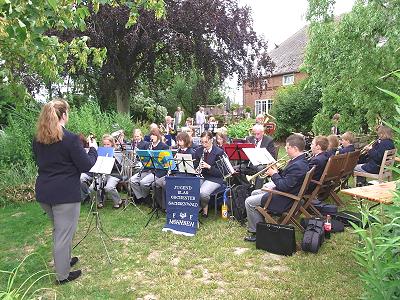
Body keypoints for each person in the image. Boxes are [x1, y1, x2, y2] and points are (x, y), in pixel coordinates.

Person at [32, 99, 97, 284]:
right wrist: (93, 150)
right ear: (64, 116)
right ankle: (62, 276)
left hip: (45, 192)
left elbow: (41, 161)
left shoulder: (38, 139)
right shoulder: (69, 138)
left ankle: (65, 260)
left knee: (60, 230)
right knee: (62, 233)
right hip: (65, 195)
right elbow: (86, 165)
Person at [244, 134, 309, 242]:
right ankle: (261, 223)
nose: (286, 150)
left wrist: (274, 174)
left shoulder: (298, 165)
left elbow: (284, 186)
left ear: (295, 148)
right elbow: (289, 179)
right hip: (290, 195)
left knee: (249, 201)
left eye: (287, 147)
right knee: (255, 193)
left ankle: (256, 233)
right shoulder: (300, 161)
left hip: (286, 199)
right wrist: (278, 171)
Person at [154, 132, 195, 210]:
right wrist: (173, 162)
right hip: (175, 174)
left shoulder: (191, 152)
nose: (179, 142)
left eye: (181, 140)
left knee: (166, 184)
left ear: (185, 140)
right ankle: (162, 205)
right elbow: (172, 165)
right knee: (156, 183)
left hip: (185, 176)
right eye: (178, 140)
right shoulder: (178, 151)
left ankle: (170, 207)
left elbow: (191, 169)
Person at [129, 128, 169, 202]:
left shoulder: (164, 146)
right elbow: (142, 158)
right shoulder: (148, 145)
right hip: (147, 169)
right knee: (132, 180)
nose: (152, 137)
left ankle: (146, 198)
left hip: (158, 171)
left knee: (143, 183)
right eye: (151, 135)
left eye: (154, 135)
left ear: (158, 136)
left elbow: (167, 163)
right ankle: (141, 197)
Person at [193, 131, 224, 217]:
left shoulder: (219, 152)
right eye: (202, 142)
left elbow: (221, 173)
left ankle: (204, 208)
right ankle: (201, 207)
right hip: (202, 176)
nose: (204, 145)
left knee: (202, 193)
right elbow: (195, 165)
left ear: (211, 140)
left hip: (215, 179)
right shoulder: (198, 151)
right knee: (191, 188)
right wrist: (196, 169)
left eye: (206, 142)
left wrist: (209, 167)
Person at [95, 134, 123, 209]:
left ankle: (118, 201)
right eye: (104, 144)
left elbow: (120, 167)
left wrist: (111, 160)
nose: (106, 146)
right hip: (102, 173)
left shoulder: (117, 152)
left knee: (109, 187)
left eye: (108, 144)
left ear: (112, 144)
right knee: (93, 187)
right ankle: (99, 201)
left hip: (114, 173)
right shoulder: (100, 152)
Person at [244, 124, 276, 189]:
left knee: (260, 169)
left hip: (262, 164)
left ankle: (257, 190)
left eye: (258, 134)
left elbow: (272, 156)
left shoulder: (269, 140)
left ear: (263, 132)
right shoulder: (249, 139)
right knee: (236, 169)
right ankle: (246, 187)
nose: (256, 136)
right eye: (254, 134)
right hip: (250, 164)